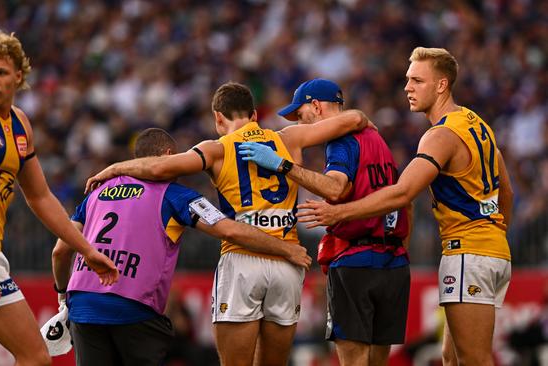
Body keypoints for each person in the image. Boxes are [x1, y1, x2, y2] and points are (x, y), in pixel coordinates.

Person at [85, 81, 372, 365]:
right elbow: (356, 118)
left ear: (218, 118)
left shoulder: (216, 149)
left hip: (242, 260)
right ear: (255, 115)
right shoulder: (289, 138)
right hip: (288, 260)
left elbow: (159, 167)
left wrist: (115, 168)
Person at [296, 47, 514, 366]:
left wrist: (338, 212)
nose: (407, 88)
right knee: (450, 358)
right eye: (407, 80)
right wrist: (495, 238)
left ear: (441, 85)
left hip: (469, 253)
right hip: (492, 252)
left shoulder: (440, 135)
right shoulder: (476, 124)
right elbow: (505, 191)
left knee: (474, 360)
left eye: (416, 80)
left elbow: (402, 194)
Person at [0, 30, 118, 366]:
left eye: (1, 72)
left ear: (18, 76)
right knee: (35, 357)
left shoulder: (20, 124)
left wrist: (87, 249)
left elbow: (41, 197)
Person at [51, 128, 312, 366]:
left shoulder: (95, 193)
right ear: (168, 156)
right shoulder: (174, 195)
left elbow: (60, 252)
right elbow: (228, 229)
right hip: (133, 307)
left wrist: (63, 296)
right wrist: (285, 248)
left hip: (83, 303)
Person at [238, 78, 411, 366]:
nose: (301, 123)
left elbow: (334, 188)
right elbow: (403, 200)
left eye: (301, 114)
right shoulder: (377, 140)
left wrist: (283, 166)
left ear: (316, 106)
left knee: (354, 361)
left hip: (356, 260)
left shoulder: (342, 141)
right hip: (394, 261)